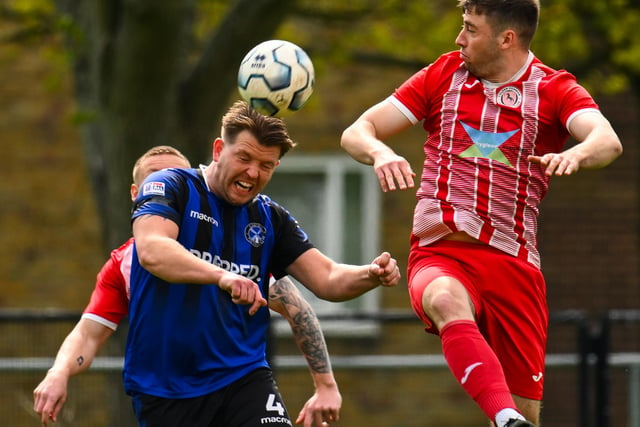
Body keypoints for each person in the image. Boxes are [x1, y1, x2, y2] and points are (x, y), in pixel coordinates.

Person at [339, 1, 622, 426]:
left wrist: (579, 154)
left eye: (471, 29)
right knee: (446, 299)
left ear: (507, 38)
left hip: (514, 266)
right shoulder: (442, 74)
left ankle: (511, 416)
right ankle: (505, 416)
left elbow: (607, 139)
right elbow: (357, 131)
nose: (459, 38)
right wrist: (380, 153)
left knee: (530, 412)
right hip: (441, 253)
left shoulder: (553, 88)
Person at [125, 100, 400, 427]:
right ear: (218, 150)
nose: (252, 173)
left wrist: (370, 274)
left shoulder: (269, 217)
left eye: (266, 165)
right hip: (166, 384)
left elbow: (326, 277)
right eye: (244, 158)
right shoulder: (173, 185)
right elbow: (153, 249)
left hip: (243, 374)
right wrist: (222, 276)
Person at [33, 145, 344, 427]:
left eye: (176, 176)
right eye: (156, 178)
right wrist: (58, 372)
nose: (166, 185)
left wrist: (325, 384)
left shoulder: (232, 247)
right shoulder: (124, 264)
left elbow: (297, 309)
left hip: (239, 382)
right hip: (167, 395)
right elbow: (88, 334)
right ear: (135, 193)